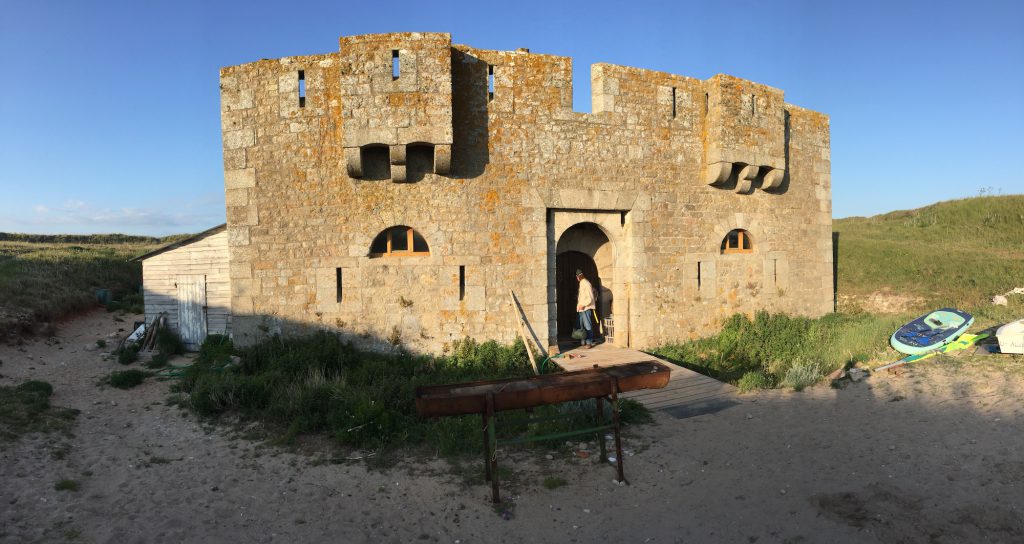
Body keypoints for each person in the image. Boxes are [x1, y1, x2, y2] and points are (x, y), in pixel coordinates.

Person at [575, 269, 596, 348]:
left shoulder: (586, 283)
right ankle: (583, 340)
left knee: (587, 325)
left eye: (577, 276)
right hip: (581, 309)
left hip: (586, 308)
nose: (576, 278)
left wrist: (583, 305)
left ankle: (589, 342)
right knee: (581, 326)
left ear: (578, 276)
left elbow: (590, 297)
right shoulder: (582, 283)